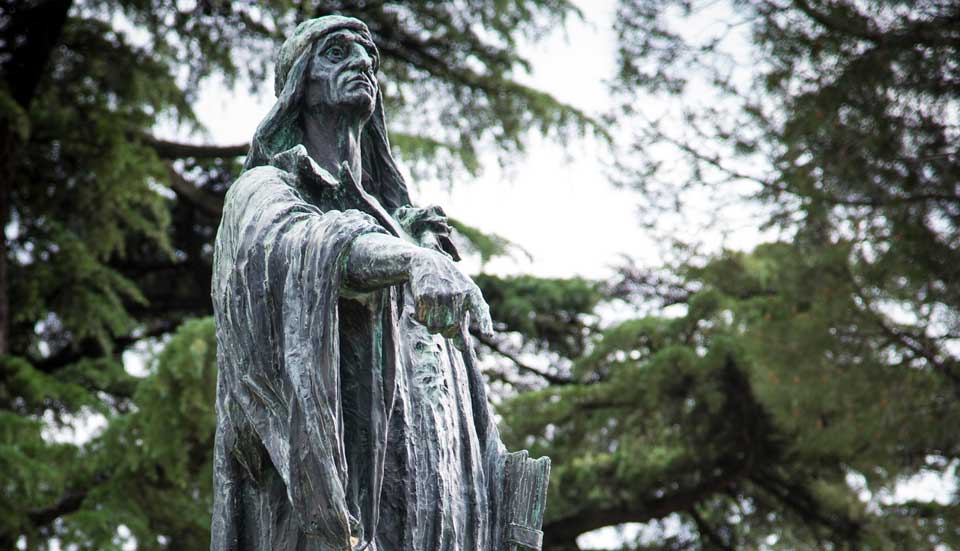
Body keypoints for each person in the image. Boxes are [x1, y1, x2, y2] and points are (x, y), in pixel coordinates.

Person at [210, 16, 548, 551]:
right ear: (299, 82)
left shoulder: (413, 234)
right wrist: (408, 264)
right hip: (337, 520)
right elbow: (296, 243)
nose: (363, 63)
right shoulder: (264, 188)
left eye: (368, 55)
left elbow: (463, 408)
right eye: (337, 52)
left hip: (438, 520)